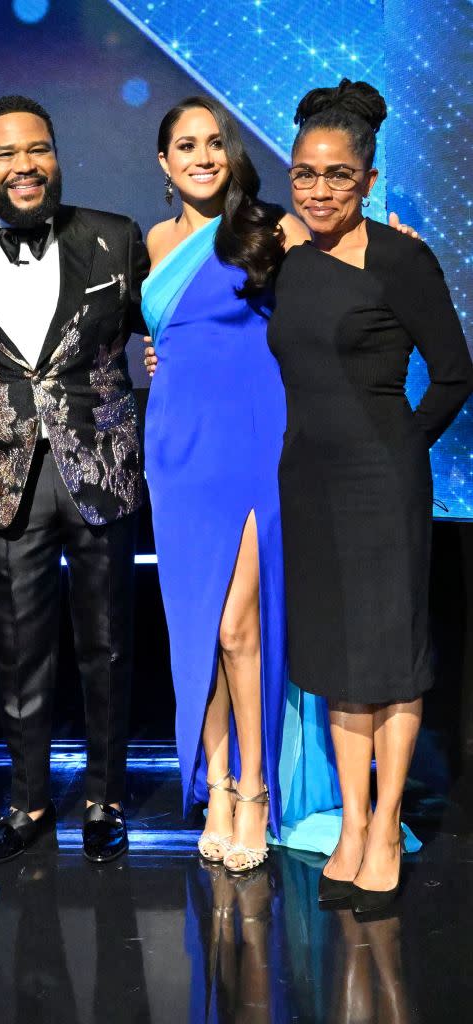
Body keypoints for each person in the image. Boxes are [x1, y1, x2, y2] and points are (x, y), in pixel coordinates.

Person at [0, 95, 149, 865]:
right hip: (2, 476)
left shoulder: (116, 238)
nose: (25, 166)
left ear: (56, 156)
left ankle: (107, 794)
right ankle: (25, 802)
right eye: (7, 154)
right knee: (17, 650)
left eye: (39, 149)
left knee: (108, 643)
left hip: (101, 469)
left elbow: (181, 314)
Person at [267, 80, 473, 913]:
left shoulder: (402, 258)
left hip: (382, 482)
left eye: (337, 176)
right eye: (305, 173)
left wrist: (401, 445)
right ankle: (351, 825)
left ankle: (387, 826)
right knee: (337, 663)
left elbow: (455, 374)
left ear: (368, 179)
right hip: (306, 479)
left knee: (389, 659)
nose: (318, 189)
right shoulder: (287, 259)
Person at [141, 95, 319, 874]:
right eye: (186, 145)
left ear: (232, 154)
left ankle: (253, 787)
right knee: (197, 634)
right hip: (176, 449)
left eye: (215, 143)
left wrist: (399, 241)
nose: (203, 156)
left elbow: (345, 263)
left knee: (236, 627)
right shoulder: (154, 240)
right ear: (164, 162)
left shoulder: (271, 228)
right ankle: (214, 782)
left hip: (252, 442)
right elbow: (169, 338)